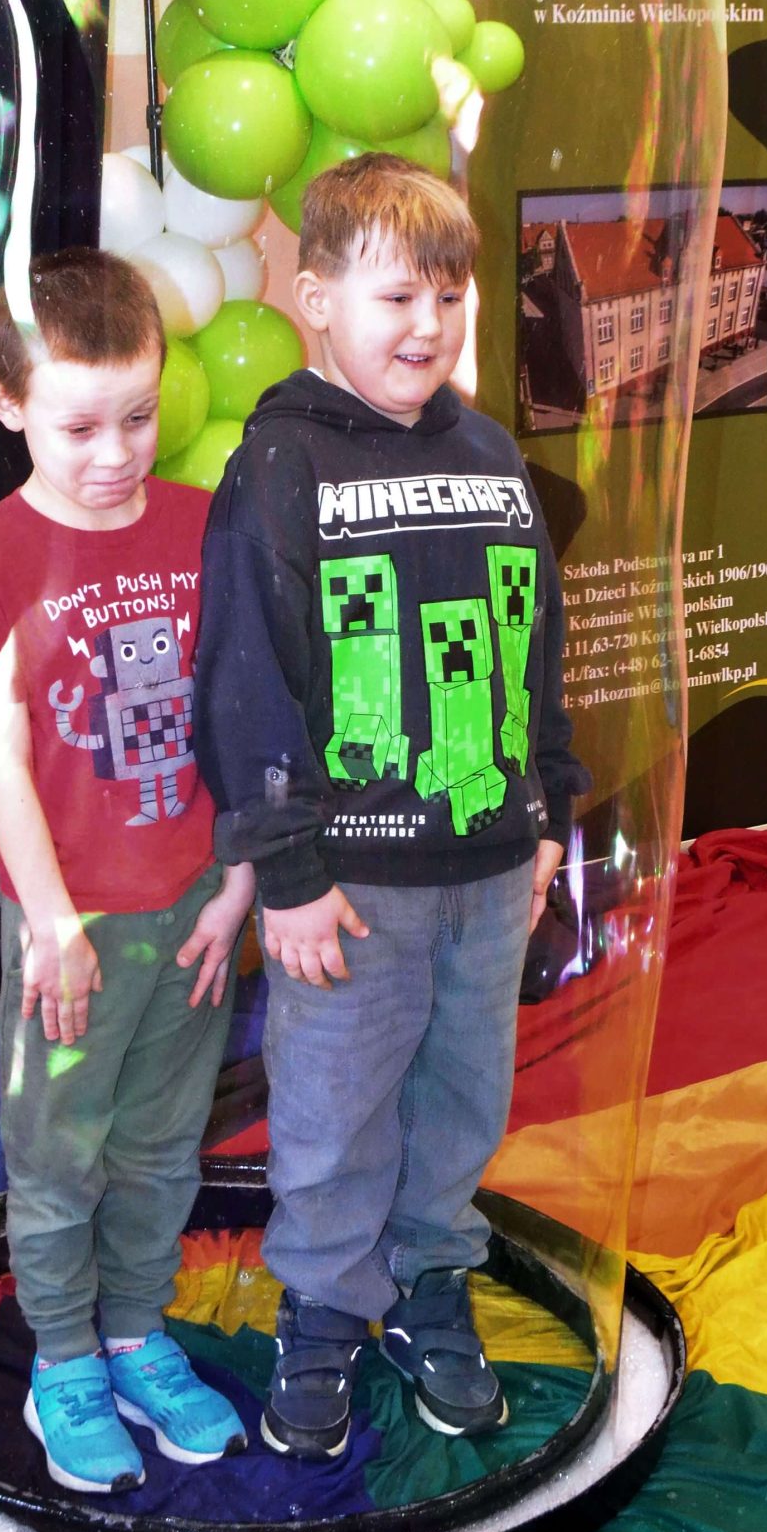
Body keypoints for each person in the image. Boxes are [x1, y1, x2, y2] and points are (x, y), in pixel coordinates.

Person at [197, 154, 588, 1462]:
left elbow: (534, 644)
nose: (428, 325)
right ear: (316, 300)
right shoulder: (278, 464)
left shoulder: (489, 454)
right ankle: (321, 1302)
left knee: (463, 1093)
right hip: (352, 887)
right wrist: (288, 872)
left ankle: (430, 1279)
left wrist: (544, 809)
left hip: (489, 863)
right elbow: (245, 682)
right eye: (396, 297)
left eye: (449, 295)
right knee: (336, 1105)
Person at [0, 247, 255, 1494]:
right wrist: (54, 923)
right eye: (78, 427)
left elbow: (242, 713)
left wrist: (238, 879)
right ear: (9, 405)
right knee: (62, 1156)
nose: (115, 453)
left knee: (163, 1144)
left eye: (138, 416)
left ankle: (133, 1332)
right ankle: (63, 1357)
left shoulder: (201, 524)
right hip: (71, 927)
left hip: (195, 910)